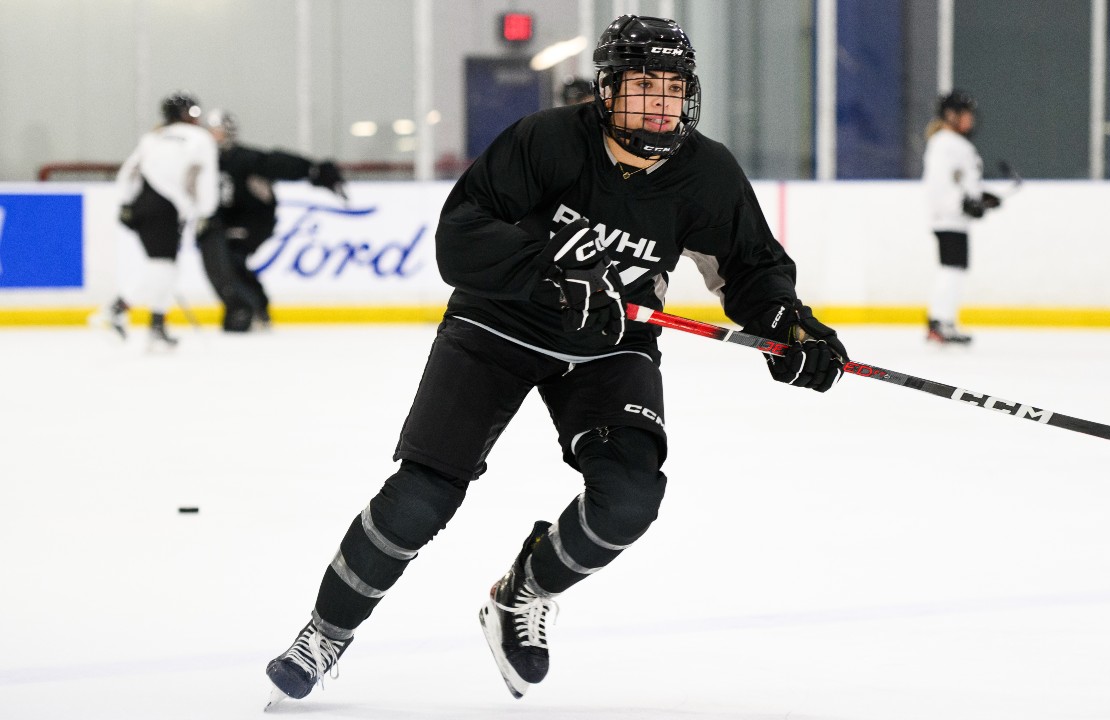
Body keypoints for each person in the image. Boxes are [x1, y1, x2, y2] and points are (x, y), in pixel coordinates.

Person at [263, 14, 847, 709]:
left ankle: (524, 593)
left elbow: (751, 268)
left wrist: (788, 323)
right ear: (606, 90)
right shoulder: (547, 142)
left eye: (674, 88)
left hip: (609, 344)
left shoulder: (706, 174)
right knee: (421, 496)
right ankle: (326, 633)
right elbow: (460, 237)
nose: (660, 103)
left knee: (630, 499)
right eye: (642, 86)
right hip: (496, 325)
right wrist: (545, 273)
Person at [200, 109, 347, 331]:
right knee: (220, 263)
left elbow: (277, 163)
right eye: (210, 132)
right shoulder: (204, 161)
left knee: (233, 258)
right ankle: (241, 307)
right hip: (223, 224)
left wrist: (314, 170)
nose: (213, 137)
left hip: (255, 222)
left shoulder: (244, 159)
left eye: (217, 132)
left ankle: (253, 307)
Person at [92, 91, 218, 347]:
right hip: (165, 209)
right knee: (162, 267)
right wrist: (206, 212)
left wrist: (126, 203)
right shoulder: (200, 138)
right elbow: (206, 178)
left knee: (168, 267)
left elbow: (129, 172)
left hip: (145, 205)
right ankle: (116, 309)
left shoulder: (154, 137)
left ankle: (157, 325)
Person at [921, 89, 1002, 345]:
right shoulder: (944, 144)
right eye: (967, 114)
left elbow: (962, 183)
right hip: (947, 218)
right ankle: (939, 322)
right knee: (951, 268)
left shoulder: (955, 144)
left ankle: (944, 321)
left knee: (955, 269)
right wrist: (965, 204)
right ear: (951, 115)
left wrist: (980, 197)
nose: (971, 120)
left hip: (954, 218)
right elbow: (940, 186)